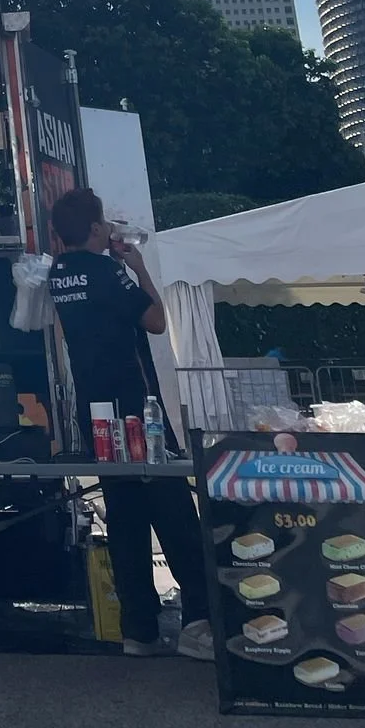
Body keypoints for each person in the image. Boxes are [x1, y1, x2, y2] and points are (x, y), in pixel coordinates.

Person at [46, 186, 214, 661]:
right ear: (97, 228)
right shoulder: (108, 272)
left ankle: (137, 628)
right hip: (139, 412)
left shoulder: (58, 274)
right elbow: (157, 322)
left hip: (95, 413)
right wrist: (137, 267)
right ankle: (199, 622)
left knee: (124, 517)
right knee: (175, 513)